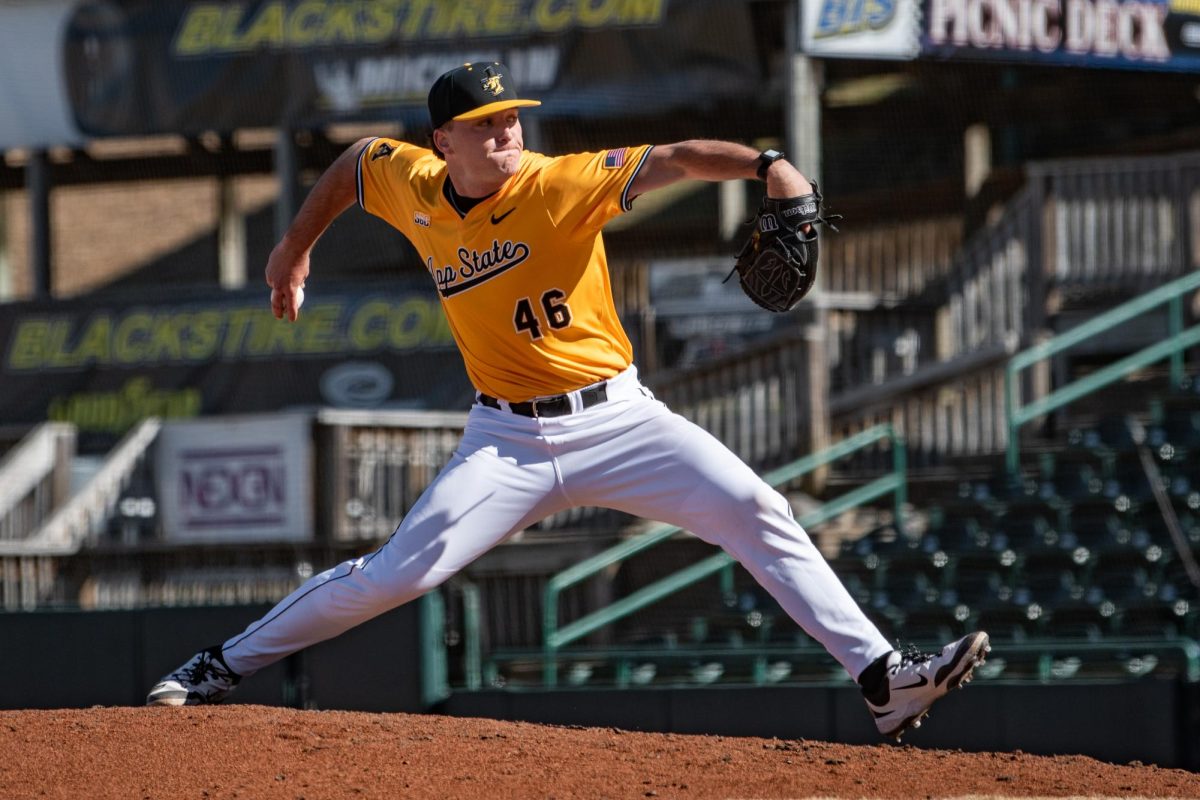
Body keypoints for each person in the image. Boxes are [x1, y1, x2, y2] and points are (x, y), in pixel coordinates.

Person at [147, 62, 989, 740]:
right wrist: (294, 250)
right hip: (504, 440)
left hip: (621, 421)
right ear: (443, 141)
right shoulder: (409, 182)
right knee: (399, 574)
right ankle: (220, 664)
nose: (505, 128)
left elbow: (681, 157)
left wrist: (770, 165)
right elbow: (352, 163)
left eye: (510, 114)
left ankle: (885, 679)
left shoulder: (558, 184)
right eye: (484, 121)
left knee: (757, 508)